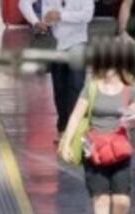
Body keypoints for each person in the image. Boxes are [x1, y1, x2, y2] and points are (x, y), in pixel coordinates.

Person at [59, 67, 135, 214]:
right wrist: (66, 143)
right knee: (101, 200)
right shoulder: (91, 88)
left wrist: (132, 120)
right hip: (94, 150)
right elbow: (76, 116)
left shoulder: (129, 90)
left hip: (119, 150)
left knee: (122, 201)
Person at [19, 0, 94, 141]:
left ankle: (74, 130)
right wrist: (35, 22)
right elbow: (23, 3)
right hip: (54, 44)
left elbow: (88, 15)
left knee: (76, 86)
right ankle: (63, 127)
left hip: (77, 42)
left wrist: (61, 15)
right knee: (59, 89)